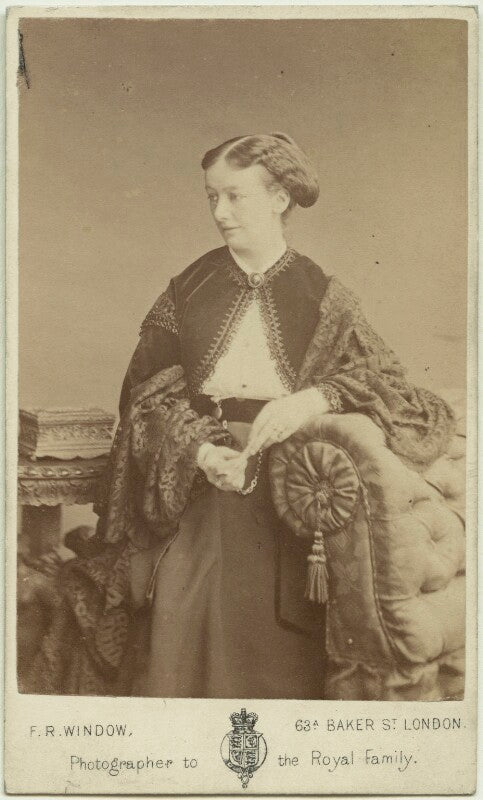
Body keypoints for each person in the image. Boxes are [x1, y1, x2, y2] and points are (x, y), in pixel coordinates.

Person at [26, 133, 456, 697]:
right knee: (184, 604)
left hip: (292, 486)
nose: (220, 212)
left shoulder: (322, 294)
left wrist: (313, 399)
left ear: (279, 198)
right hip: (198, 479)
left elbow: (397, 390)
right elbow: (146, 398)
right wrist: (203, 452)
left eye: (235, 196)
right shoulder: (189, 289)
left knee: (285, 631)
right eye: (212, 197)